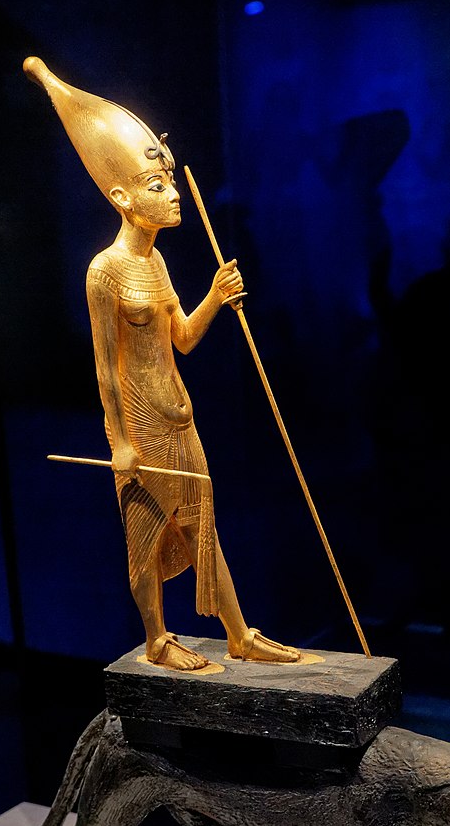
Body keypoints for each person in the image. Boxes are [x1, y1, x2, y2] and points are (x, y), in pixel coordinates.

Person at [24, 57, 299, 670]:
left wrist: (216, 298)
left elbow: (183, 339)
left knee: (204, 529)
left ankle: (239, 634)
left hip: (181, 419)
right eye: (156, 186)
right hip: (143, 427)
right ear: (122, 197)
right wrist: (120, 440)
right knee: (145, 539)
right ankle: (156, 639)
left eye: (171, 183)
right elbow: (103, 367)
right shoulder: (104, 271)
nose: (173, 195)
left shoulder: (156, 263)